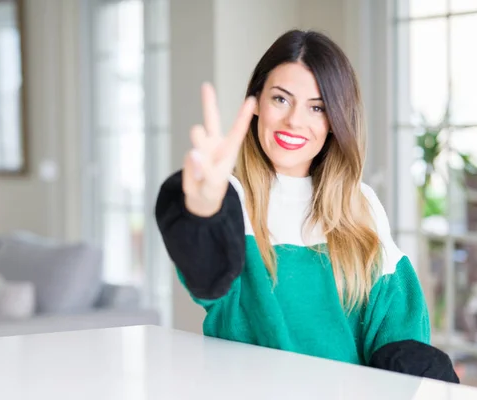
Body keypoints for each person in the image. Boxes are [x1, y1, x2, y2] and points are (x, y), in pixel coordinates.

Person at [155, 29, 459, 383]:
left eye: (317, 107)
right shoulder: (230, 199)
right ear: (256, 105)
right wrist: (204, 206)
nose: (295, 120)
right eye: (281, 99)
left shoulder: (360, 204)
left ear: (335, 123)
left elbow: (397, 328)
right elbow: (204, 275)